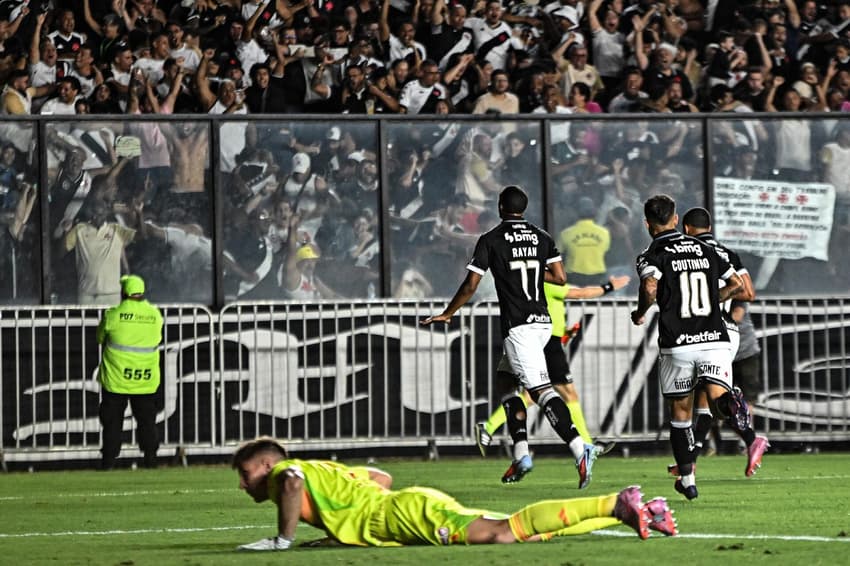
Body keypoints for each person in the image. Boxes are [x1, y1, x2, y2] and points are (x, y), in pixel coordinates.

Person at [421, 186, 596, 488]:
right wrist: (528, 272)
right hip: (542, 322)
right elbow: (560, 277)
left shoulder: (491, 240)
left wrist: (448, 312)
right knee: (505, 381)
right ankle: (521, 453)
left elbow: (470, 285)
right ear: (524, 208)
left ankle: (580, 448)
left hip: (520, 326)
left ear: (501, 206)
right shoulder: (542, 237)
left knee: (541, 391)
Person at [232, 437, 677, 550]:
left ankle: (614, 501)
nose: (244, 482)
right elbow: (380, 478)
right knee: (521, 535)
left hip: (405, 517)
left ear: (267, 464)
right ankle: (635, 512)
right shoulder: (321, 469)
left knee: (505, 533)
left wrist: (282, 540)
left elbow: (290, 484)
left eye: (247, 471)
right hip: (407, 507)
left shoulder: (287, 472)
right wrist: (343, 522)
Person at [630, 195, 760, 501]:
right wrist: (715, 300)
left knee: (681, 411)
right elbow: (739, 287)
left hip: (678, 342)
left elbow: (649, 288)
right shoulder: (708, 248)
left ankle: (688, 480)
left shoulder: (652, 253)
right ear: (676, 220)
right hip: (715, 338)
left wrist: (641, 311)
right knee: (716, 401)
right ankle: (734, 404)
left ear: (648, 225)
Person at [476, 275, 631, 454]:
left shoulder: (535, 284)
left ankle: (488, 427)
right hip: (549, 344)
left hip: (546, 341)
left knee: (532, 395)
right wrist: (609, 286)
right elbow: (581, 294)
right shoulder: (545, 283)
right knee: (567, 394)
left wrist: (565, 333)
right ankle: (586, 444)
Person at [679, 207, 768, 471]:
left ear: (686, 229)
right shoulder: (727, 253)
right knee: (706, 398)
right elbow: (748, 292)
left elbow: (742, 292)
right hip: (727, 333)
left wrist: (710, 298)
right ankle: (689, 462)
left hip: (710, 332)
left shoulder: (689, 252)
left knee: (713, 399)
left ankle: (751, 439)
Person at [96, 274, 164, 470]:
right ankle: (151, 460)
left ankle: (108, 461)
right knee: (147, 422)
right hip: (145, 380)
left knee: (112, 422)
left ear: (123, 293)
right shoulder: (155, 315)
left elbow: (100, 337)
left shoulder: (113, 315)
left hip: (116, 380)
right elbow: (156, 338)